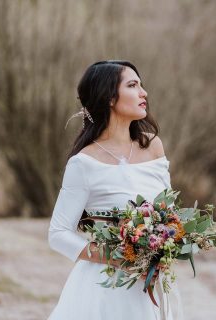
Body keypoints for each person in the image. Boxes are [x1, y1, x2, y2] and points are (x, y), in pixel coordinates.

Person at [48, 60, 181, 319]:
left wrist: (168, 242)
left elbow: (170, 213)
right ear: (109, 97)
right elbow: (58, 233)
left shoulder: (153, 147)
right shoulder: (83, 163)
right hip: (106, 288)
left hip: (153, 286)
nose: (144, 93)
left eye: (141, 85)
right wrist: (118, 257)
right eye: (133, 85)